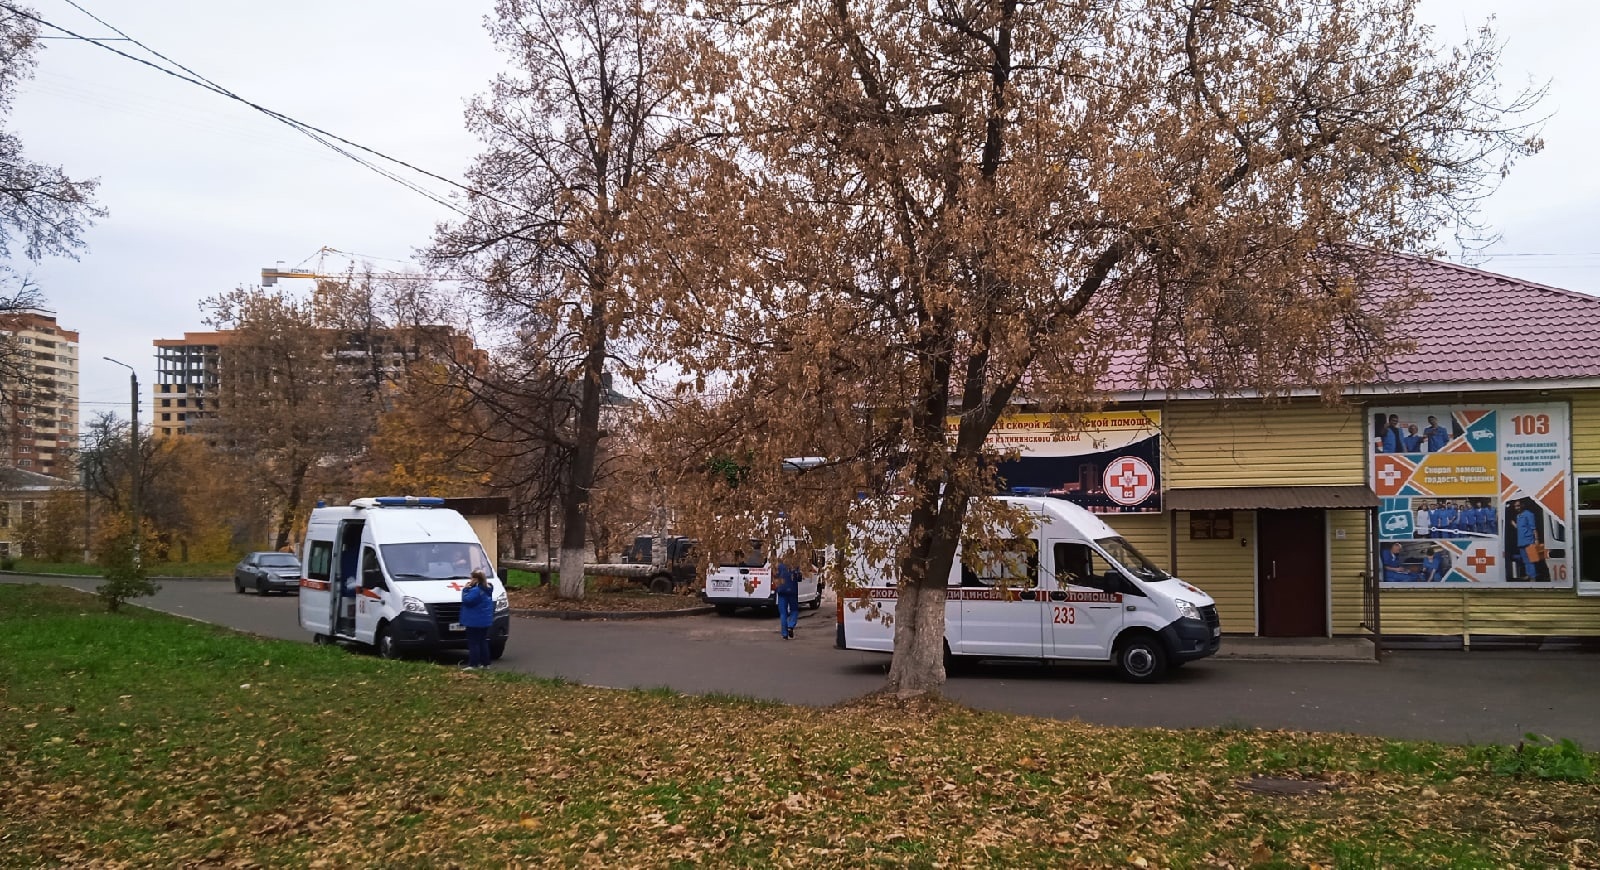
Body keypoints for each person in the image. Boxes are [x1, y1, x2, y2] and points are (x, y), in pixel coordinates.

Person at [460, 569, 496, 668]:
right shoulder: (487, 588)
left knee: (473, 643)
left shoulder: (475, 591)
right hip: (485, 620)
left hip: (474, 621)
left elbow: (467, 600)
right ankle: (485, 663)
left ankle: (473, 664)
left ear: (475, 579)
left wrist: (466, 589)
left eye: (471, 577)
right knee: (483, 641)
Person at [774, 561, 801, 639]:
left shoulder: (778, 565)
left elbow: (775, 576)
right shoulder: (795, 565)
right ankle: (791, 625)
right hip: (792, 591)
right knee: (794, 610)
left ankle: (784, 634)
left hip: (781, 591)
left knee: (783, 613)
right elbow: (799, 578)